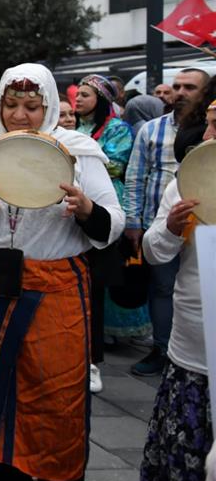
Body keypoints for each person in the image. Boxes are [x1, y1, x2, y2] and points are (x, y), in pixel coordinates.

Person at [0, 63, 124, 481]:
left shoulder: (78, 153)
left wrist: (84, 209)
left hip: (54, 290)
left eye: (32, 106)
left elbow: (113, 223)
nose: (21, 115)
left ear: (49, 107)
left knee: (54, 395)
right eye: (12, 104)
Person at [134, 97, 214, 481]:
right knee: (184, 474)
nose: (209, 136)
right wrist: (169, 228)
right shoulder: (183, 185)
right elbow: (153, 252)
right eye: (210, 126)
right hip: (193, 354)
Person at [124, 67, 211, 377]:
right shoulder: (151, 129)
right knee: (162, 289)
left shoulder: (204, 131)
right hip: (161, 222)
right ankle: (162, 349)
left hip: (203, 231)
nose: (181, 92)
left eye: (190, 87)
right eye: (177, 85)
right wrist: (134, 222)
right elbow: (135, 176)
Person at [76, 74, 139, 394]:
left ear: (100, 99)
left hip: (102, 206)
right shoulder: (76, 130)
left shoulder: (117, 129)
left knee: (96, 283)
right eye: (77, 94)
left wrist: (85, 158)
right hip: (73, 209)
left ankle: (93, 359)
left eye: (85, 95)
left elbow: (115, 164)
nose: (78, 100)